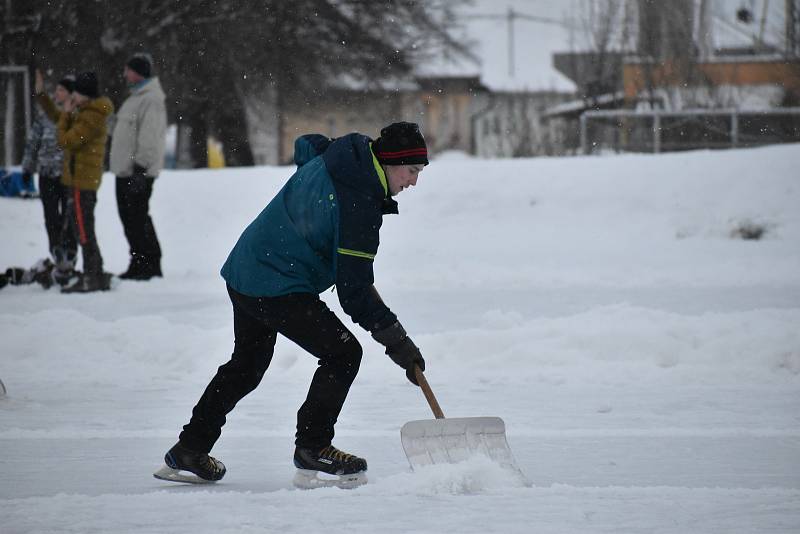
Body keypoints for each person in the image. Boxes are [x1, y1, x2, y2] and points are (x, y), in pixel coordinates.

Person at [157, 122, 429, 488]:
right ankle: (313, 447)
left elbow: (307, 145)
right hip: (277, 282)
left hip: (247, 265)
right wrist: (398, 343)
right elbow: (354, 293)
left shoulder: (344, 154)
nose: (413, 182)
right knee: (343, 353)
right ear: (391, 162)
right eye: (411, 171)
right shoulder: (359, 203)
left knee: (247, 363)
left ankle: (189, 448)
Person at [36, 70, 115, 293]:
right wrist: (48, 100)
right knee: (82, 228)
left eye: (77, 94)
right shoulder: (87, 111)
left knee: (83, 231)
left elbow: (66, 140)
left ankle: (92, 276)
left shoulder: (92, 115)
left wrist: (66, 114)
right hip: (79, 179)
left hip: (83, 181)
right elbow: (61, 119)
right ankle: (95, 272)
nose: (73, 98)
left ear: (85, 95)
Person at [110, 53, 167, 280]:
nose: (124, 74)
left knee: (138, 217)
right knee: (130, 219)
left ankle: (149, 264)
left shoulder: (150, 99)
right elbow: (121, 131)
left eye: (128, 70)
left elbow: (150, 137)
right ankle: (138, 262)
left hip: (137, 172)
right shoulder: (134, 98)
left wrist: (140, 169)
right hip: (125, 171)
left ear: (138, 72)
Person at [21, 74, 78, 286]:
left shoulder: (77, 114)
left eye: (62, 91)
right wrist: (27, 166)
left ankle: (70, 256)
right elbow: (33, 141)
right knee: (51, 217)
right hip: (46, 174)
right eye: (57, 90)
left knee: (70, 218)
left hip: (69, 177)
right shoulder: (45, 115)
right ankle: (57, 254)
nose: (58, 94)